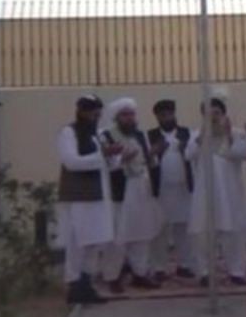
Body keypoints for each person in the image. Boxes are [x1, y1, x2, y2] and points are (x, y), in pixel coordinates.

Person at [56, 94, 117, 305]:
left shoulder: (98, 135)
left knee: (96, 241)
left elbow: (111, 165)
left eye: (97, 113)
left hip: (99, 195)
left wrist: (115, 155)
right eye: (91, 112)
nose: (95, 116)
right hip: (79, 197)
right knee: (78, 242)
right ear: (81, 112)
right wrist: (102, 156)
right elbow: (71, 162)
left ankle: (87, 283)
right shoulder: (68, 132)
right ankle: (74, 285)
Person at [99, 98, 164, 292]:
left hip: (141, 187)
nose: (129, 118)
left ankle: (140, 273)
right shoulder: (105, 136)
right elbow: (103, 164)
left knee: (141, 232)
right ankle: (112, 276)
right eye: (125, 115)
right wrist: (122, 158)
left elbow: (148, 162)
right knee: (118, 236)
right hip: (120, 190)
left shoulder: (140, 135)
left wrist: (153, 154)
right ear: (116, 117)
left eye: (132, 114)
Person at [185, 96, 246, 286]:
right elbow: (188, 155)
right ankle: (204, 272)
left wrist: (229, 135)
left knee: (234, 232)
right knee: (202, 233)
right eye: (209, 114)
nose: (213, 117)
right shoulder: (196, 134)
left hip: (229, 193)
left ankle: (237, 271)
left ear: (223, 114)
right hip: (204, 194)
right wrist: (201, 137)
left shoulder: (236, 133)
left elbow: (242, 154)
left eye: (217, 113)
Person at [148, 99, 196, 280]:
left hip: (183, 189)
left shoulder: (187, 133)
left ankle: (185, 265)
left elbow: (195, 155)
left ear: (174, 114)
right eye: (163, 115)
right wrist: (156, 150)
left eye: (169, 114)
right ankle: (159, 267)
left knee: (183, 229)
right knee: (159, 230)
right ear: (157, 117)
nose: (167, 118)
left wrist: (185, 149)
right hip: (160, 190)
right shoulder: (150, 135)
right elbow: (146, 159)